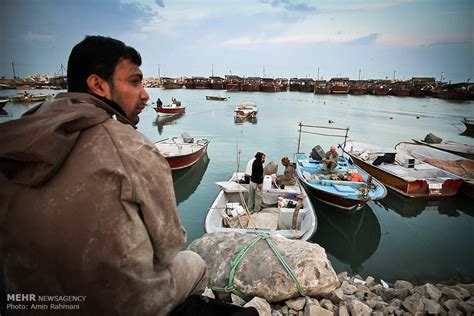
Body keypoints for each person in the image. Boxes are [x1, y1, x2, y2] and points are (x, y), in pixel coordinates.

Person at [0, 35, 207, 315]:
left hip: (28, 302)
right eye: (134, 82)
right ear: (98, 85)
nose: (145, 94)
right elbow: (169, 247)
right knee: (195, 262)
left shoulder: (17, 139)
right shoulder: (133, 148)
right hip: (119, 306)